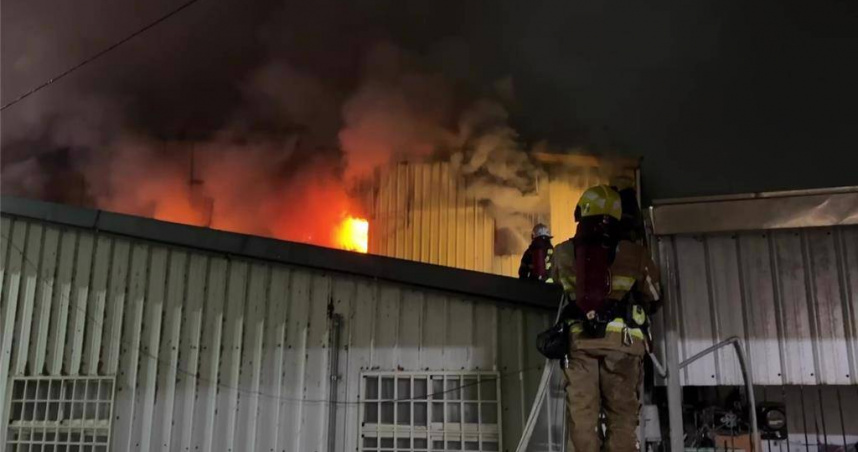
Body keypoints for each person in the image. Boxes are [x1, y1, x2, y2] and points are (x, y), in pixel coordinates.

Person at [548, 185, 661, 452]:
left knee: (582, 419)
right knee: (622, 418)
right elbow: (655, 296)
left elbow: (554, 290)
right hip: (624, 344)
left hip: (580, 343)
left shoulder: (563, 252)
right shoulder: (635, 254)